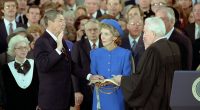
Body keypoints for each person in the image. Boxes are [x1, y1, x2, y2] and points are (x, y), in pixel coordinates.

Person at [113, 17, 181, 110]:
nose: (143, 36)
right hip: (170, 101)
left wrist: (122, 80)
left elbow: (143, 80)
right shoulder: (174, 46)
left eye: (145, 32)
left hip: (154, 102)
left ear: (153, 34)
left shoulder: (153, 50)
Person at [34, 10, 85, 110]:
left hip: (64, 98)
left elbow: (70, 64)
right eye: (60, 20)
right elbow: (43, 66)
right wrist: (58, 49)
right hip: (51, 100)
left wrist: (89, 76)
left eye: (64, 20)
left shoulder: (60, 40)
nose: (64, 23)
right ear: (49, 22)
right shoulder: (41, 41)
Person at [89, 19, 132, 110]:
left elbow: (127, 78)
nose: (102, 37)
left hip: (118, 97)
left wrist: (118, 80)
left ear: (115, 37)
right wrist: (94, 78)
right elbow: (93, 75)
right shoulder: (94, 53)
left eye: (106, 34)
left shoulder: (125, 54)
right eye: (102, 33)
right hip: (99, 98)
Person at [0, 35, 39, 110]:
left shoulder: (36, 64)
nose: (23, 50)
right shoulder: (5, 68)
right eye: (20, 48)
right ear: (13, 50)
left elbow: (41, 87)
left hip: (34, 107)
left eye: (25, 47)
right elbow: (3, 91)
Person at [71, 19, 103, 110]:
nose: (92, 32)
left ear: (100, 30)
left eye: (95, 29)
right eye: (89, 30)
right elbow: (74, 68)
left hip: (104, 88)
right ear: (85, 31)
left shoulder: (106, 44)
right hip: (85, 89)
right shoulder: (78, 45)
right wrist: (76, 90)